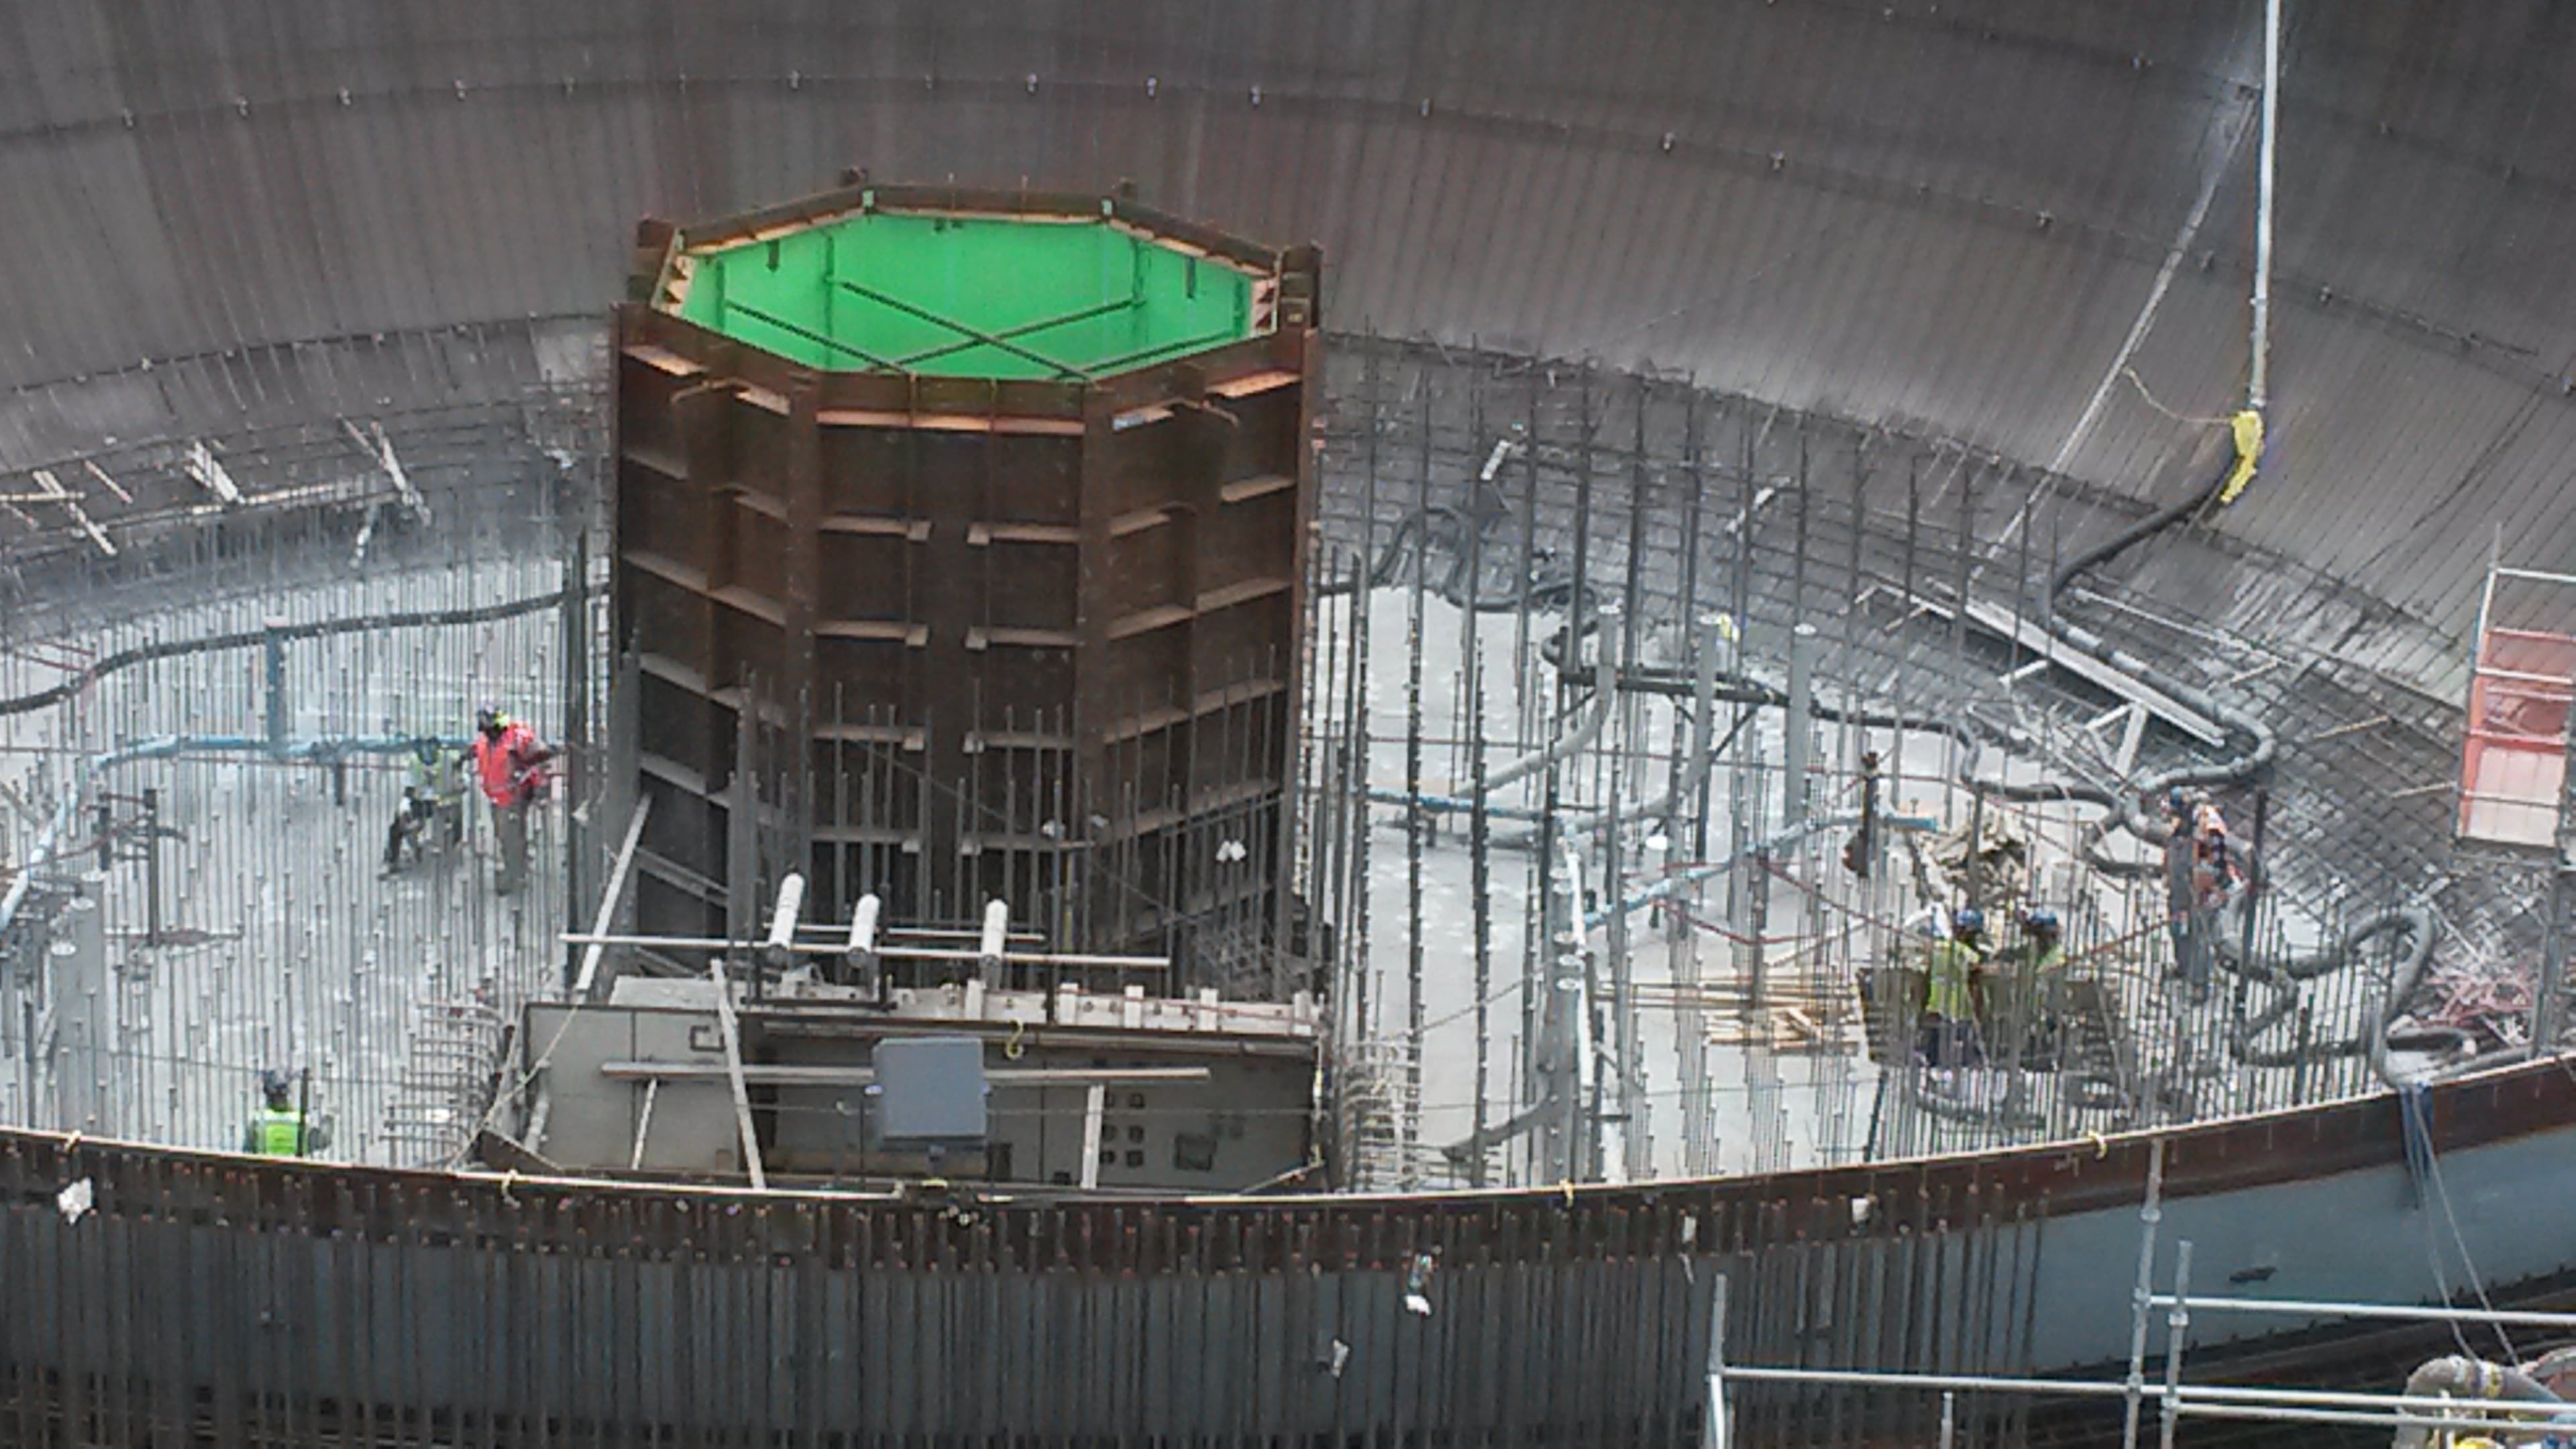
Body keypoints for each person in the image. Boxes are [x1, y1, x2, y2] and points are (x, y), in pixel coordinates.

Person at [472, 706, 555, 896]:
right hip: (496, 797)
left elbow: (543, 754)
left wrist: (531, 778)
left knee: (511, 836)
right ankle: (518, 867)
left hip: (515, 796)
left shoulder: (517, 737)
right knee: (504, 835)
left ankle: (515, 876)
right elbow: (479, 753)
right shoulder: (486, 741)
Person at [1920, 906, 1986, 1083]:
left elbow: (1925, 978)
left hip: (1935, 1007)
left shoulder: (1938, 949)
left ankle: (1932, 1078)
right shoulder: (1968, 954)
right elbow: (1977, 980)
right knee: (1961, 1053)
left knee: (1934, 1049)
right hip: (1959, 1010)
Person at [382, 736, 466, 875]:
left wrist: (458, 785)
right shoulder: (414, 762)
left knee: (452, 823)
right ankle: (391, 860)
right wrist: (405, 807)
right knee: (397, 827)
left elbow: (462, 780)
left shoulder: (449, 759)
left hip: (446, 802)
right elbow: (409, 788)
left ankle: (452, 848)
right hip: (421, 802)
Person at [242, 1069, 329, 1157]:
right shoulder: (302, 1119)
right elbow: (323, 1142)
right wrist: (327, 1115)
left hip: (265, 1169)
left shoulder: (257, 1121)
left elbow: (247, 1152)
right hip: (297, 1169)